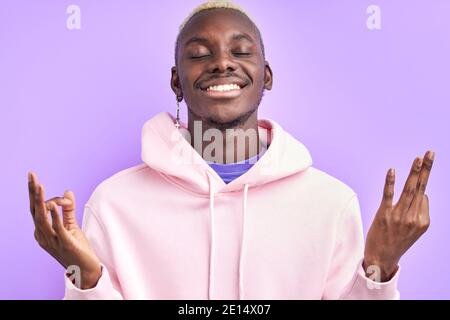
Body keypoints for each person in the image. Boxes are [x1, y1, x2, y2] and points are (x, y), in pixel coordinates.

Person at [27, 0, 435, 299]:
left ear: (266, 76)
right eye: (199, 55)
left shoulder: (330, 203)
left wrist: (378, 267)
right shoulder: (115, 202)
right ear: (176, 82)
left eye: (241, 51)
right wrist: (85, 275)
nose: (222, 63)